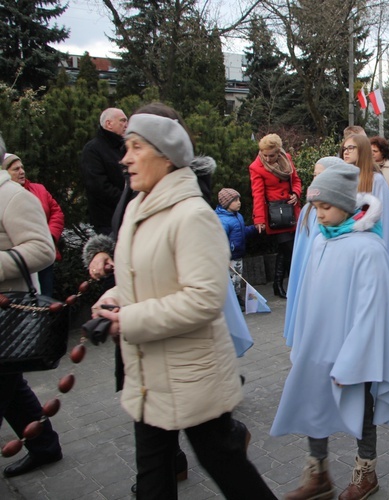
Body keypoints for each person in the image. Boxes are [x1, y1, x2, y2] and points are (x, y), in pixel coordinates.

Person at [91, 111, 275, 499]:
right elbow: (139, 278)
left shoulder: (192, 216)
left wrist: (130, 320)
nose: (125, 158)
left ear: (166, 156)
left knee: (230, 471)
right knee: (153, 477)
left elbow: (204, 299)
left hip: (193, 376)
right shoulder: (139, 210)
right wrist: (112, 299)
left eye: (135, 147)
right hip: (150, 375)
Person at [271, 163, 389, 500]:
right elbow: (308, 294)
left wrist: (353, 360)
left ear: (346, 204)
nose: (319, 214)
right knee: (315, 402)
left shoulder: (368, 248)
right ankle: (318, 473)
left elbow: (371, 311)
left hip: (351, 350)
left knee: (361, 410)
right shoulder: (320, 241)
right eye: (315, 207)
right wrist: (301, 339)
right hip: (318, 345)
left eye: (326, 206)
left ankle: (366, 471)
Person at [0, 135, 63, 479]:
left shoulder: (10, 195)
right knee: (10, 383)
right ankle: (45, 446)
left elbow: (41, 249)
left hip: (8, 310)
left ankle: (45, 447)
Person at [341, 133, 389, 307]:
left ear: (362, 150)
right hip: (347, 247)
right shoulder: (343, 177)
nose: (346, 152)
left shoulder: (376, 180)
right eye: (344, 148)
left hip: (368, 246)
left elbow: (383, 220)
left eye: (351, 148)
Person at [282, 156, 342, 348]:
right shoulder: (310, 208)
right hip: (307, 271)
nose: (315, 179)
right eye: (314, 175)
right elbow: (302, 248)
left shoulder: (334, 210)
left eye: (320, 175)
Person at [1, 154, 64, 297]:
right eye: (15, 169)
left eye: (22, 167)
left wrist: (48, 236)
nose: (21, 171)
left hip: (40, 253)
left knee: (44, 299)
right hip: (22, 263)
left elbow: (57, 213)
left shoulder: (35, 190)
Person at [249, 134, 303, 299]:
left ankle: (278, 284)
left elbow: (296, 180)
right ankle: (294, 284)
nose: (267, 158)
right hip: (276, 214)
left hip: (290, 209)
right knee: (289, 248)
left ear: (278, 151)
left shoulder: (286, 158)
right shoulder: (256, 167)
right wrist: (259, 219)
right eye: (264, 154)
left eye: (271, 155)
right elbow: (257, 194)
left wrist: (296, 193)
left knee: (284, 250)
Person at [80, 108, 128, 235]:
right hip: (107, 221)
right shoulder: (93, 150)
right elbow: (98, 186)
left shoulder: (127, 148)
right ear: (109, 124)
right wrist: (126, 199)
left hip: (128, 216)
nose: (126, 125)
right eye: (122, 121)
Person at [215, 188, 258, 306]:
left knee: (238, 279)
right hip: (229, 257)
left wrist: (255, 228)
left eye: (239, 199)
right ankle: (232, 302)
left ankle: (237, 297)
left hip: (238, 255)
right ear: (227, 203)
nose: (239, 202)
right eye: (235, 200)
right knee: (231, 280)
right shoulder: (222, 220)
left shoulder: (238, 216)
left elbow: (242, 232)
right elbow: (220, 239)